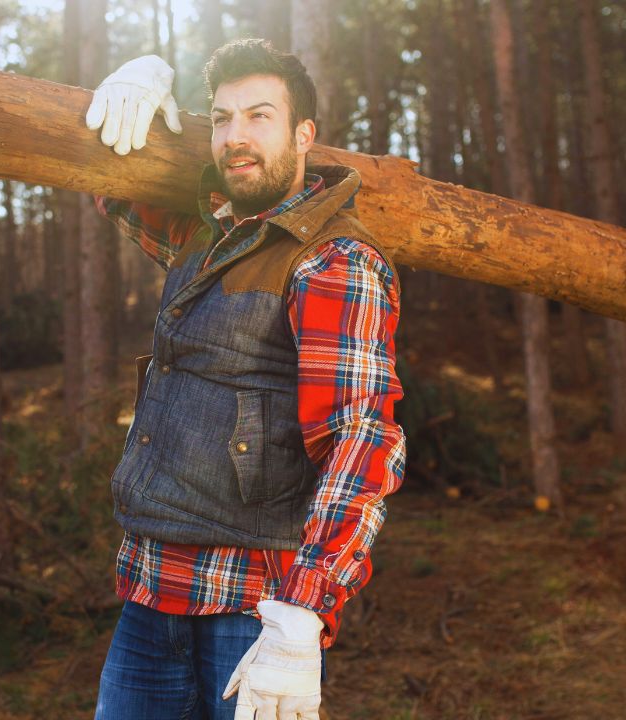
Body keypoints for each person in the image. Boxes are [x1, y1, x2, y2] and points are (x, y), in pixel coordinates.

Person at [85, 39, 406, 720]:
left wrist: (302, 613)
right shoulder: (206, 235)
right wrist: (139, 80)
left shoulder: (334, 262)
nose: (236, 138)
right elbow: (112, 184)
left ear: (303, 135)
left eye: (259, 116)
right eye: (221, 118)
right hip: (149, 592)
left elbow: (361, 438)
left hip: (251, 605)